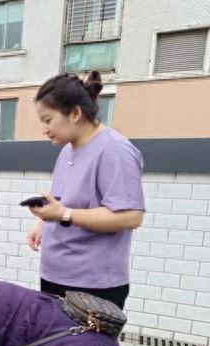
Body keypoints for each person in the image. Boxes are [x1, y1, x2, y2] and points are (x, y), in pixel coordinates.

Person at [27, 71, 145, 309]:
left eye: (48, 120)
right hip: (55, 276)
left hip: (94, 285)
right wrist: (44, 222)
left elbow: (131, 216)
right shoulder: (67, 150)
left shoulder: (115, 150)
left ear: (75, 114)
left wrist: (63, 215)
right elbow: (67, 202)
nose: (45, 129)